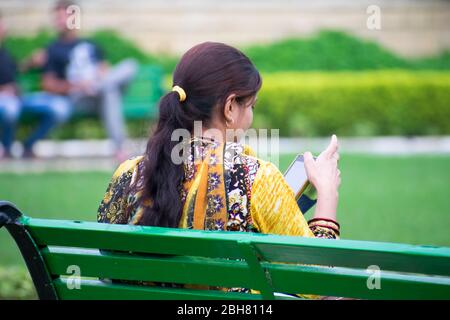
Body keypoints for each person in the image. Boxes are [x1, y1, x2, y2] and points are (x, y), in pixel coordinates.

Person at [97, 42, 341, 295]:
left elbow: (109, 266)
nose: (251, 117)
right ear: (229, 107)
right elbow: (317, 282)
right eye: (251, 106)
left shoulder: (127, 174)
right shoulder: (255, 178)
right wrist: (326, 193)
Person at [33, 0, 138, 161]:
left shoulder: (91, 44)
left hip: (98, 89)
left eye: (65, 16)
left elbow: (105, 69)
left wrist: (98, 78)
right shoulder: (52, 49)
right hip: (79, 97)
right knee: (110, 91)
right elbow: (48, 84)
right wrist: (78, 85)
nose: (60, 21)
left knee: (130, 66)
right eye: (58, 17)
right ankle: (121, 149)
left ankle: (98, 87)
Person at [0, 11, 71, 159]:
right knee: (10, 108)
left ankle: (28, 145)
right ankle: (6, 148)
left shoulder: (4, 52)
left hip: (19, 98)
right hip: (7, 101)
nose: (4, 28)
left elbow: (15, 71)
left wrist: (32, 62)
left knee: (60, 107)